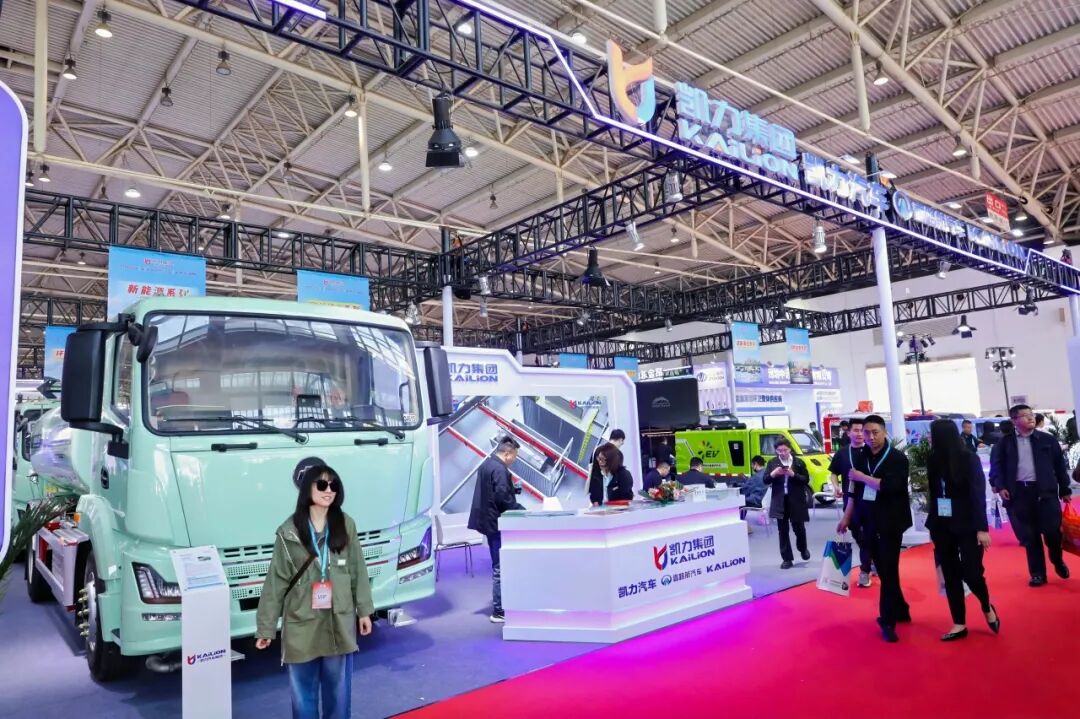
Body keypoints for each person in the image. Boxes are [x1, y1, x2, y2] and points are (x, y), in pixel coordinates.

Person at [255, 464, 374, 719]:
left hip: (338, 622)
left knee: (338, 694)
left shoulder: (345, 524)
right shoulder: (288, 531)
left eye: (333, 485)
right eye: (321, 484)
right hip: (301, 623)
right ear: (307, 488)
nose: (328, 490)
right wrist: (266, 628)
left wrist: (364, 610)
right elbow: (276, 581)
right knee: (303, 696)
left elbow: (357, 570)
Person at [925, 420, 999, 641]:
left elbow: (977, 493)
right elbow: (934, 492)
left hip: (968, 523)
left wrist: (982, 528)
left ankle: (986, 606)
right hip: (941, 523)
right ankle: (959, 623)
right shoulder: (933, 459)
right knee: (950, 574)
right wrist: (932, 522)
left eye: (932, 434)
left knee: (972, 573)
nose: (929, 438)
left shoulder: (968, 458)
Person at [841, 414, 912, 643]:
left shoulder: (897, 458)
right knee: (884, 568)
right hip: (867, 520)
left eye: (875, 432)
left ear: (884, 432)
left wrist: (863, 477)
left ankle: (887, 620)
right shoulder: (861, 456)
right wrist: (846, 517)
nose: (870, 437)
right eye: (867, 432)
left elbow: (891, 487)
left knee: (888, 569)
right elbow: (853, 491)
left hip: (891, 521)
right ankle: (901, 608)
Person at [989, 404, 1072, 587]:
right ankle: (1037, 574)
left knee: (1052, 533)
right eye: (1024, 415)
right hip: (1020, 494)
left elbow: (1060, 466)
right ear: (1014, 421)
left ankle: (1057, 560)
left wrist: (1065, 489)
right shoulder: (1005, 443)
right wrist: (1000, 486)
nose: (1030, 418)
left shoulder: (1047, 440)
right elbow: (997, 467)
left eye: (1031, 414)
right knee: (1030, 536)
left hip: (1046, 493)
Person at [467, 437, 524, 622]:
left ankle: (501, 607)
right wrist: (523, 511)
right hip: (498, 524)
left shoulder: (487, 465)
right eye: (514, 456)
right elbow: (503, 499)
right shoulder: (500, 469)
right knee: (500, 568)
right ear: (507, 453)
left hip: (490, 523)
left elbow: (494, 493)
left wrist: (511, 490)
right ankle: (499, 611)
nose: (514, 460)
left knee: (499, 566)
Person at [829, 418, 873, 588]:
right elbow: (834, 473)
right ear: (848, 433)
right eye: (856, 430)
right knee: (858, 534)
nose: (860, 434)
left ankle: (864, 571)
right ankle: (871, 559)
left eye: (863, 430)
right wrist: (836, 486)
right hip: (850, 501)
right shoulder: (842, 453)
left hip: (870, 500)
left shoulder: (871, 451)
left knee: (867, 534)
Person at [763, 438, 811, 569]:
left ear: (790, 449)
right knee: (782, 531)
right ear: (776, 450)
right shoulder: (772, 463)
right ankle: (787, 559)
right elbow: (765, 480)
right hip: (780, 500)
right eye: (779, 451)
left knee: (799, 528)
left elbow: (806, 480)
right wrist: (773, 473)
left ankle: (803, 548)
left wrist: (793, 474)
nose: (782, 453)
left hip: (796, 500)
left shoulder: (798, 462)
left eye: (785, 450)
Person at [588, 430, 626, 506]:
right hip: (613, 500)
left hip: (597, 498)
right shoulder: (618, 454)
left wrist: (595, 499)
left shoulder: (596, 450)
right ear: (620, 440)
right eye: (622, 441)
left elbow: (593, 475)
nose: (622, 443)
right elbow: (619, 478)